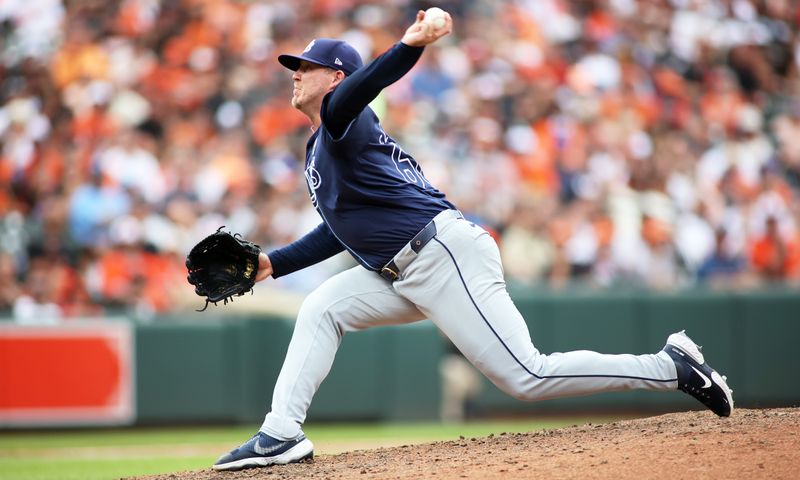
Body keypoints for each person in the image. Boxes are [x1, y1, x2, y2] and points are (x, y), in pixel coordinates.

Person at [212, 11, 734, 471]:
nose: (296, 74)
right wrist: (271, 264)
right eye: (294, 67)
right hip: (401, 269)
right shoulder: (321, 147)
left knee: (527, 375)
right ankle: (281, 432)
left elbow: (363, 87)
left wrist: (409, 45)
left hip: (443, 255)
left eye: (306, 66)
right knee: (323, 306)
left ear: (336, 78)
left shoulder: (342, 117)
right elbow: (339, 229)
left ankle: (670, 367)